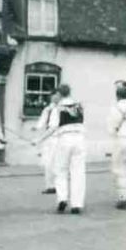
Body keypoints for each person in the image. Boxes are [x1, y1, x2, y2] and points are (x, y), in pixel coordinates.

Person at [34, 83, 85, 214]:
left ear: (59, 94)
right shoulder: (79, 106)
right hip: (79, 139)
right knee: (78, 172)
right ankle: (76, 204)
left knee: (60, 170)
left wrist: (39, 140)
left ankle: (62, 198)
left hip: (64, 139)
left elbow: (53, 128)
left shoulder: (58, 108)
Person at [107, 85, 126, 209]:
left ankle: (123, 198)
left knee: (121, 168)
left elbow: (111, 128)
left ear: (117, 96)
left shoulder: (114, 108)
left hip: (122, 139)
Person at [35, 90, 61, 194]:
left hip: (59, 137)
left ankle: (57, 185)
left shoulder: (61, 108)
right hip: (49, 138)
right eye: (54, 96)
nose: (55, 98)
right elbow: (42, 120)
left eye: (57, 96)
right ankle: (49, 185)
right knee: (48, 162)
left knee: (57, 163)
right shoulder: (48, 109)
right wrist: (37, 127)